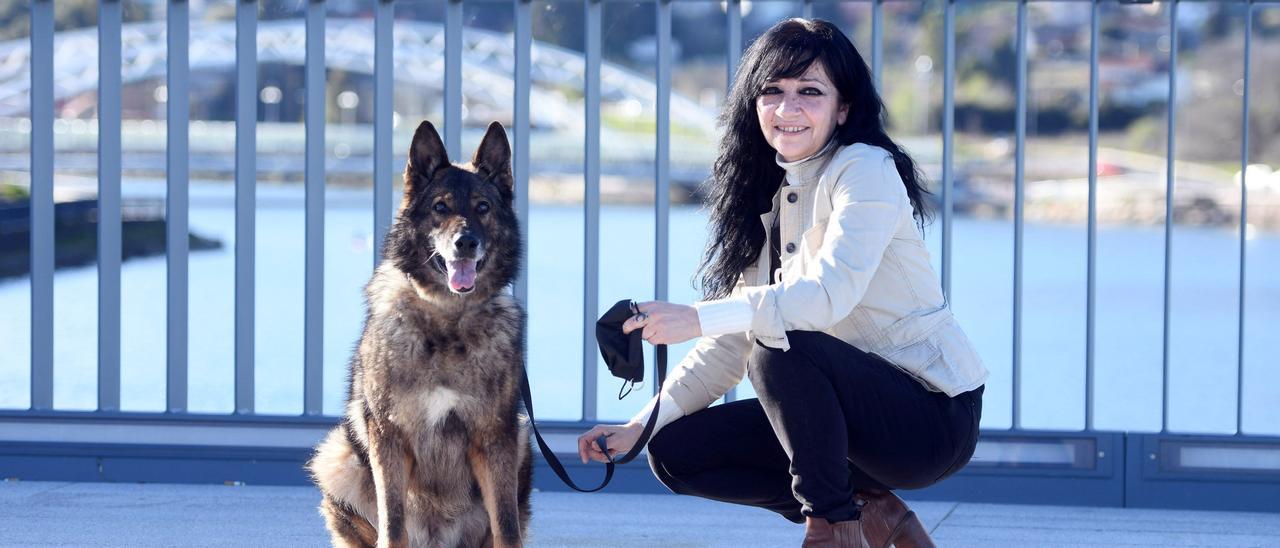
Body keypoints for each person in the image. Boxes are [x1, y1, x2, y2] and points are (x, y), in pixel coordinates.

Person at [576, 18, 988, 548]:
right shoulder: (769, 200)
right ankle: (871, 513)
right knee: (676, 451)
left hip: (930, 418)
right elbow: (729, 347)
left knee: (778, 348)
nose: (788, 109)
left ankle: (832, 530)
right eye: (773, 91)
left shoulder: (865, 169)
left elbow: (824, 297)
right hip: (839, 413)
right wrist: (640, 426)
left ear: (843, 108)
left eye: (809, 92)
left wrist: (693, 316)